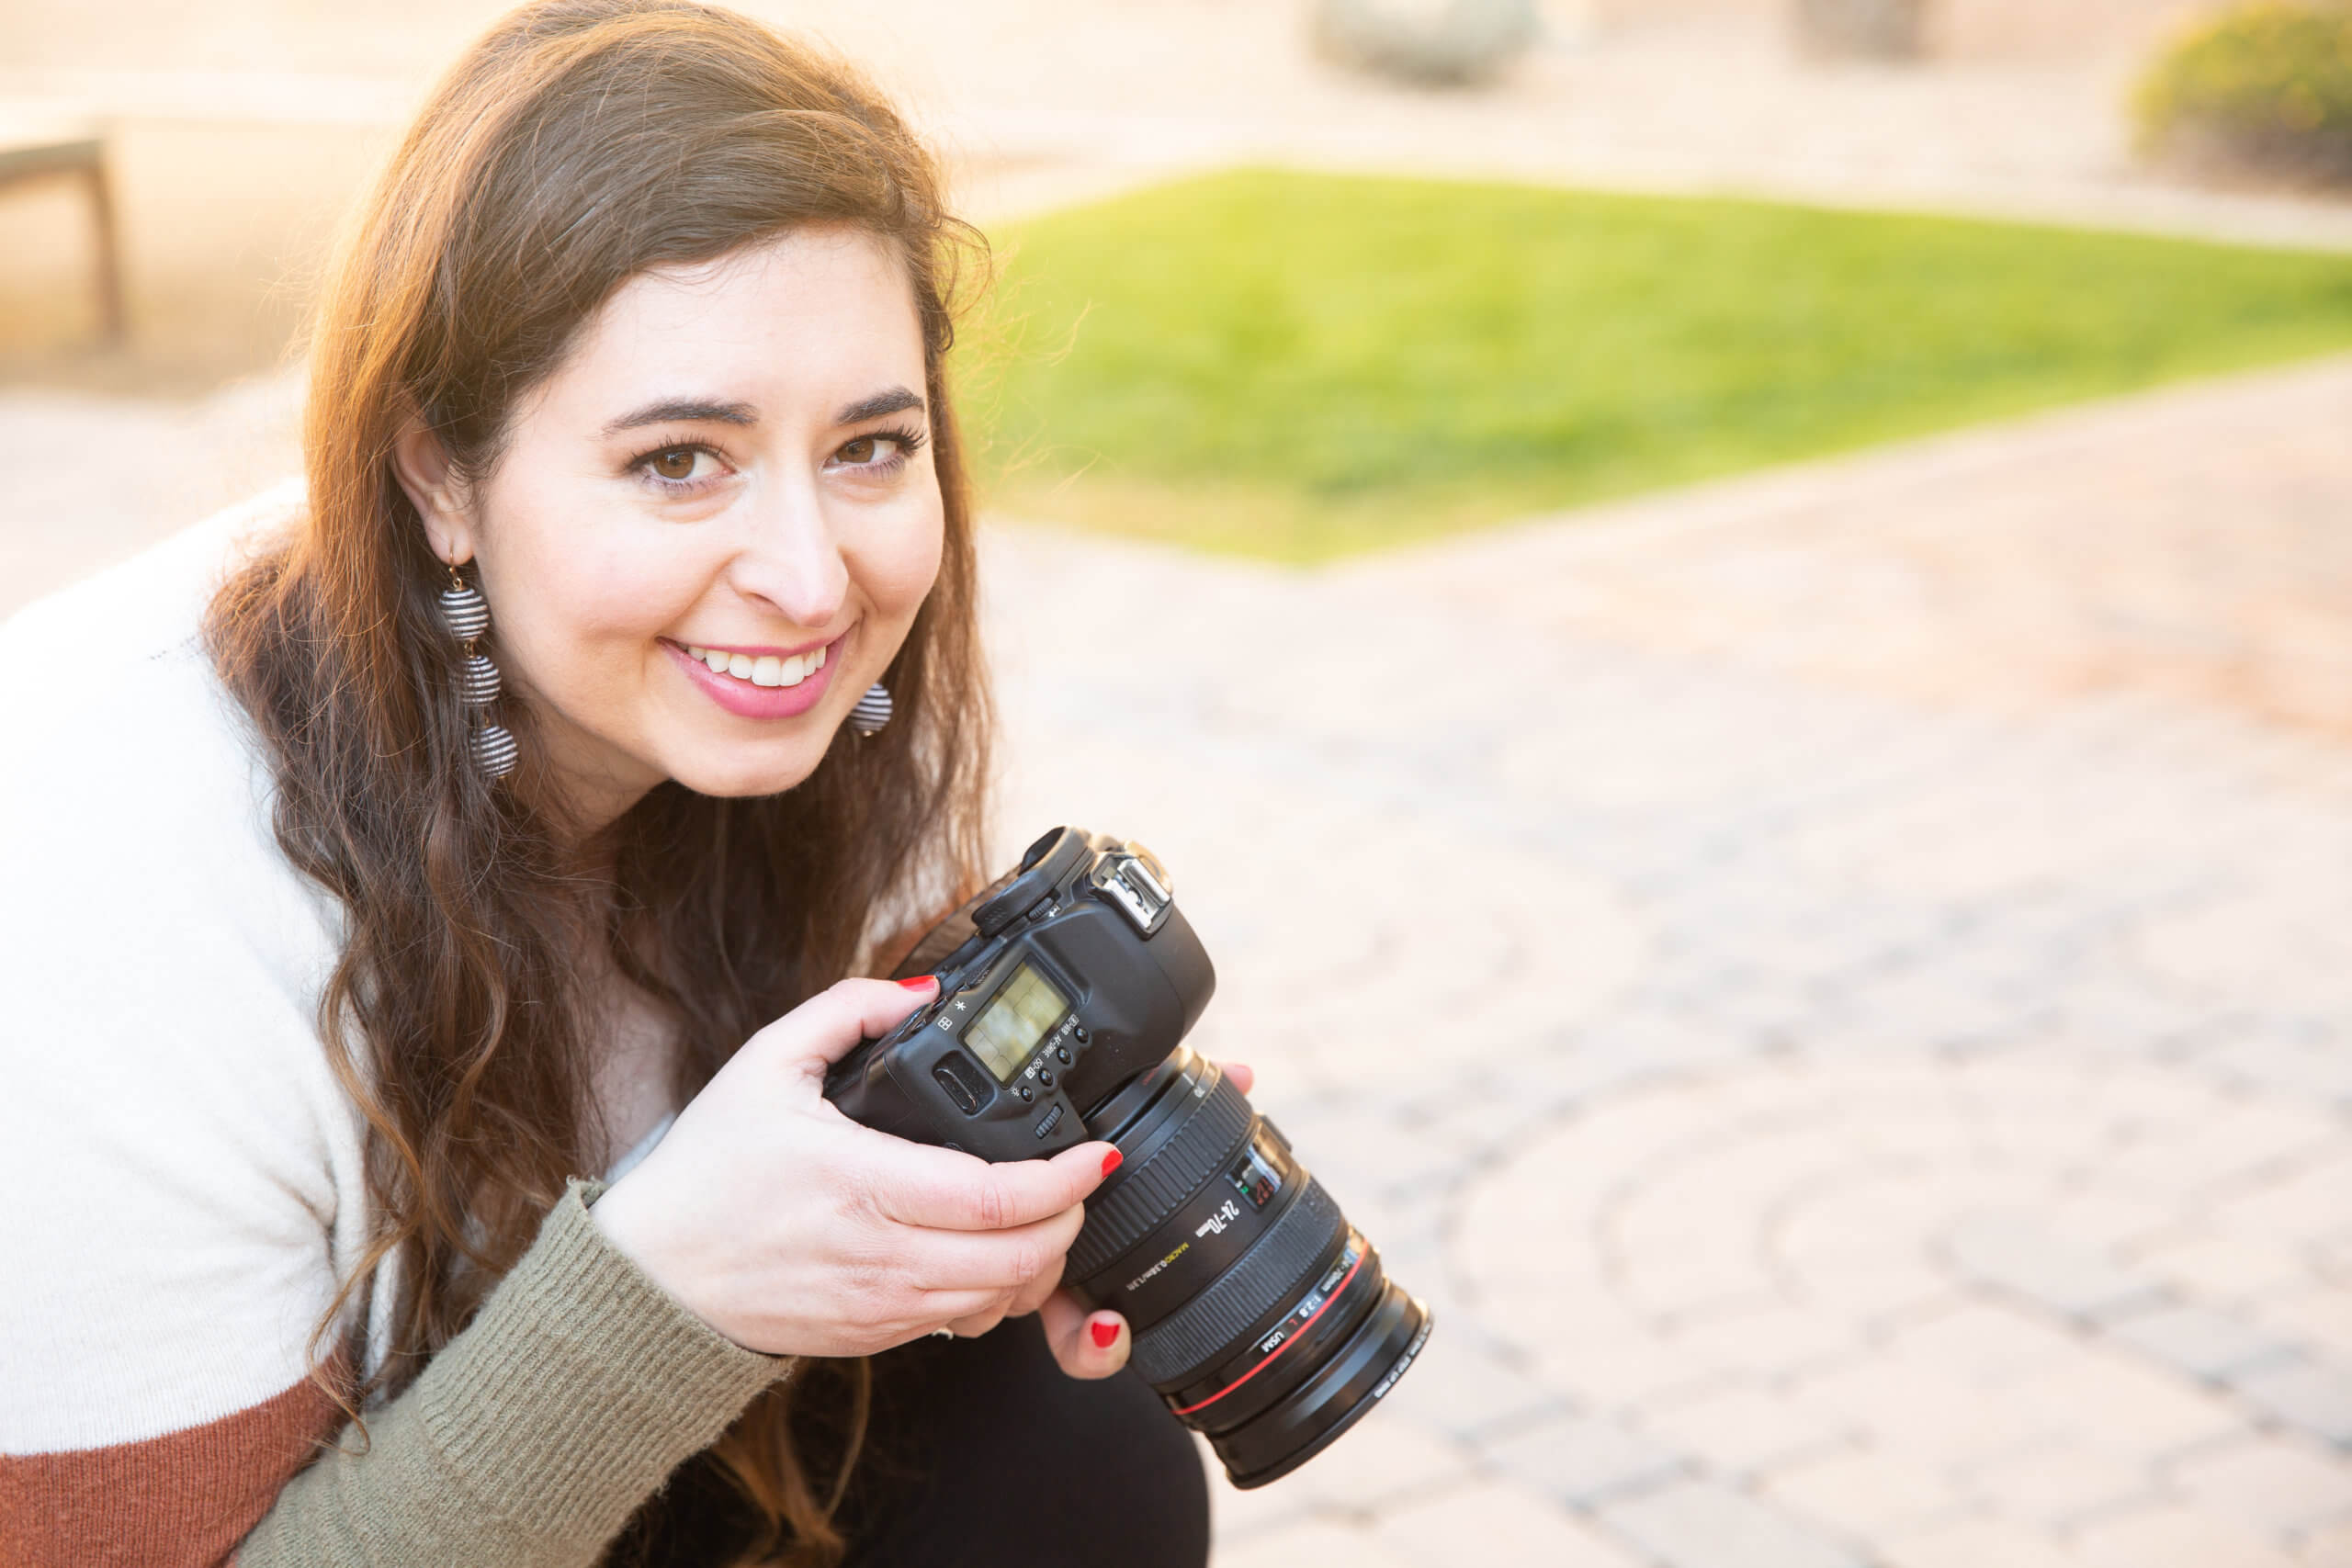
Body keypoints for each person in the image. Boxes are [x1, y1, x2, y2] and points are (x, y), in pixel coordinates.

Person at [0, 4, 1221, 1563]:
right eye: (676, 461)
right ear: (437, 473)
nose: (805, 576)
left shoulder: (727, 737)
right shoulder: (102, 888)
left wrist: (945, 1201)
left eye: (869, 446)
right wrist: (668, 1293)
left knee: (1053, 1438)